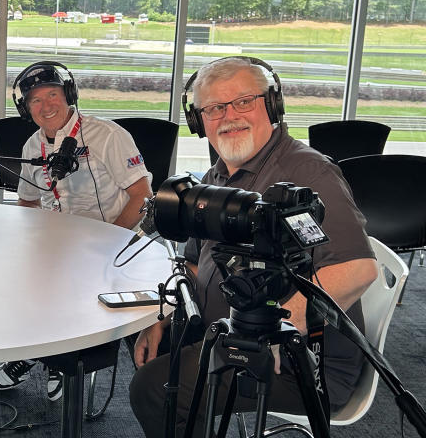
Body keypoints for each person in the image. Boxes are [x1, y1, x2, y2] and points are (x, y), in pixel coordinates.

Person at [128, 56, 377, 438]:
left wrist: (278, 328)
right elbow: (194, 264)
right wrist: (166, 317)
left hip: (297, 361)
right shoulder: (218, 175)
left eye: (244, 101)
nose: (229, 116)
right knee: (142, 339)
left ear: (273, 105)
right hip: (225, 328)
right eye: (214, 108)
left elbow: (357, 269)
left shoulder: (306, 173)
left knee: (156, 388)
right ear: (198, 122)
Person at [0, 61, 153, 401]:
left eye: (53, 95)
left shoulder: (108, 136)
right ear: (25, 108)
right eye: (35, 100)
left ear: (69, 96)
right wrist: (26, 249)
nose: (46, 106)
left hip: (111, 242)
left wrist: (111, 240)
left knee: (71, 288)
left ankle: (57, 360)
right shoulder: (32, 148)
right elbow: (29, 205)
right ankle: (41, 350)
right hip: (56, 245)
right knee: (17, 281)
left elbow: (142, 196)